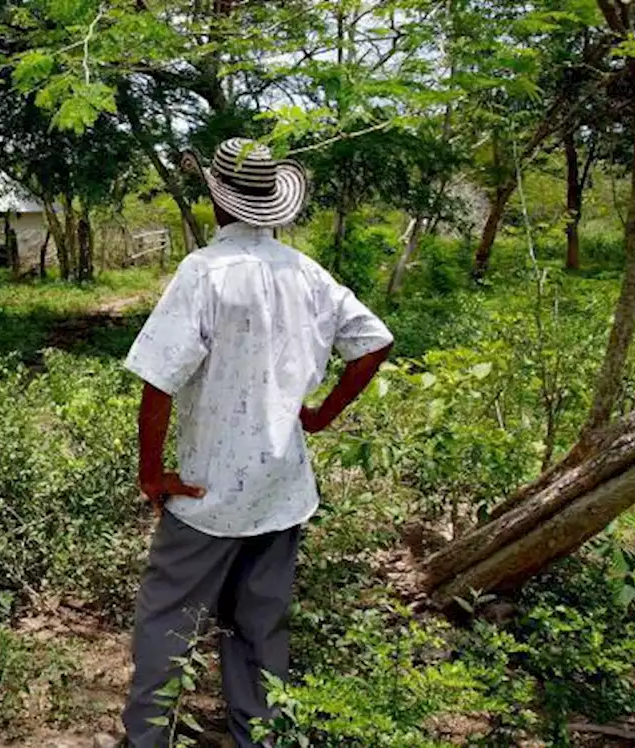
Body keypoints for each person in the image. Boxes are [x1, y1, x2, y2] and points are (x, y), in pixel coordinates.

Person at [120, 139, 394, 747]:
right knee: (259, 626)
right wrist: (321, 415)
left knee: (168, 621)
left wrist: (152, 474)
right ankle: (260, 737)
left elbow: (158, 382)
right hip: (280, 490)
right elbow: (373, 342)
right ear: (270, 203)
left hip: (207, 491)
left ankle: (149, 738)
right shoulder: (306, 273)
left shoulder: (204, 273)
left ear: (217, 202)